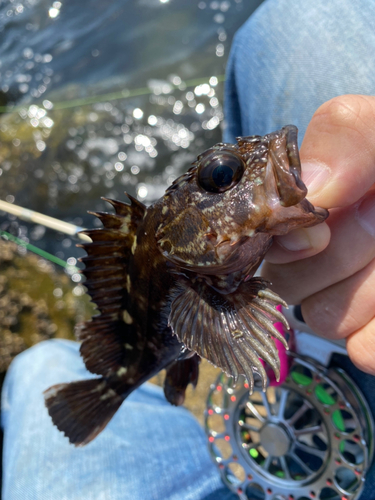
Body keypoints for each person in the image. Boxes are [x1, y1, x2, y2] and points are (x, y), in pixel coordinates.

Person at [2, 0, 375, 498]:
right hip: (159, 350)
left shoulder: (204, 264)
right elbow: (239, 343)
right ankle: (117, 392)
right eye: (222, 177)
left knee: (40, 365)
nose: (272, 151)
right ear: (185, 237)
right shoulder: (195, 288)